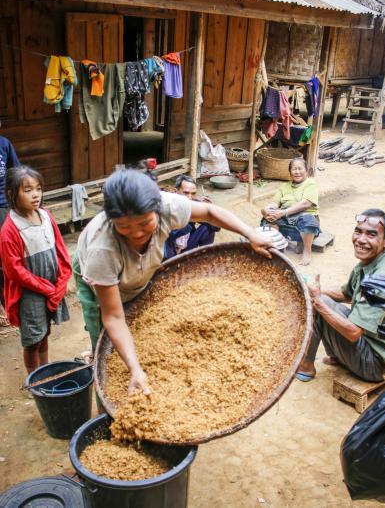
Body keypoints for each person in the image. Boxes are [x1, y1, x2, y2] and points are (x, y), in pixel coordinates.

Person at [73, 168, 278, 396]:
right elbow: (113, 316)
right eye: (124, 227)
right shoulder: (102, 250)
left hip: (139, 270)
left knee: (144, 320)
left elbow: (209, 212)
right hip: (101, 282)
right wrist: (135, 370)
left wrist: (251, 234)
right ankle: (110, 402)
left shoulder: (167, 205)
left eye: (145, 223)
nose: (137, 234)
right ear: (111, 220)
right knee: (106, 345)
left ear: (157, 210)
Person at [296, 209, 385, 383]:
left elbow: (353, 333)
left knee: (320, 305)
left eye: (371, 234)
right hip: (371, 344)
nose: (361, 239)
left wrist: (317, 300)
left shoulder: (382, 277)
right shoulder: (371, 261)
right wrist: (314, 289)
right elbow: (346, 294)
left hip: (375, 364)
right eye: (358, 231)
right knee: (327, 303)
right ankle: (340, 356)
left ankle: (306, 367)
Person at [0, 166, 71, 374]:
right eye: (28, 190)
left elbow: (61, 251)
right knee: (33, 339)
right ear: (12, 194)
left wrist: (61, 283)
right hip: (29, 292)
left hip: (51, 286)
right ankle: (35, 378)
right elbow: (14, 270)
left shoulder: (46, 215)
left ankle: (46, 371)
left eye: (38, 189)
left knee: (45, 332)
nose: (35, 195)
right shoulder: (10, 229)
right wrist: (46, 289)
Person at [261, 157, 320, 266]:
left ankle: (307, 250)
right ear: (290, 172)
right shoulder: (284, 186)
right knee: (267, 219)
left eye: (300, 169)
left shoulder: (310, 184)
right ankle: (278, 247)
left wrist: (283, 212)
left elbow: (306, 204)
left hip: (304, 221)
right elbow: (275, 203)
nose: (297, 172)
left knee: (308, 220)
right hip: (286, 221)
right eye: (294, 169)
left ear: (306, 171)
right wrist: (267, 210)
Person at [164, 174, 220, 259]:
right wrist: (189, 218)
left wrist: (210, 212)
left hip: (186, 247)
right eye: (185, 193)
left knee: (208, 228)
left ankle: (206, 258)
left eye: (193, 194)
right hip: (170, 251)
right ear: (176, 191)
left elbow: (217, 228)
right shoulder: (168, 206)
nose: (189, 197)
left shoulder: (194, 203)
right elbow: (169, 235)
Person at [0, 123, 21, 326]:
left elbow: (16, 174)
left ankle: (9, 306)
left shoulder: (4, 144)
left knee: (8, 260)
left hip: (4, 207)